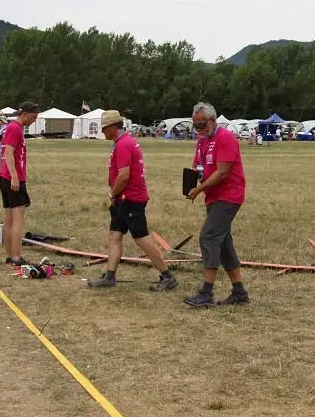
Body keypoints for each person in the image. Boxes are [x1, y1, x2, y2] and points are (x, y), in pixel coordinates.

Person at [87, 110, 178, 291]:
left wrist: (112, 194)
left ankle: (168, 276)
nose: (102, 132)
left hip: (130, 198)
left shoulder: (123, 144)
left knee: (141, 238)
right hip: (122, 199)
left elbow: (124, 176)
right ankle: (110, 277)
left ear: (113, 127)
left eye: (104, 129)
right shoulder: (123, 142)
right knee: (115, 236)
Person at [184, 102, 250, 307]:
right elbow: (198, 165)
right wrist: (191, 182)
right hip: (213, 197)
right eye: (195, 125)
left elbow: (222, 172)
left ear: (213, 120)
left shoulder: (226, 139)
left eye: (202, 125)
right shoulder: (202, 140)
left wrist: (199, 188)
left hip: (229, 196)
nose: (199, 129)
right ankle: (239, 292)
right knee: (223, 243)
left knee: (209, 236)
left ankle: (207, 292)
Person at [0, 102, 39, 266]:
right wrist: (15, 177)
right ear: (25, 114)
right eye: (33, 117)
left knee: (9, 219)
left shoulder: (12, 128)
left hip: (5, 176)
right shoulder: (15, 128)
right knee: (18, 220)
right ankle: (16, 256)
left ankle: (10, 256)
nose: (34, 120)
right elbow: (9, 152)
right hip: (12, 178)